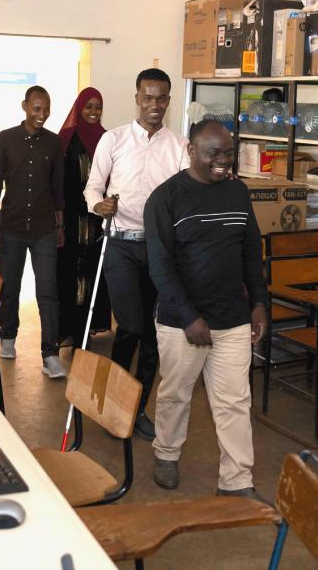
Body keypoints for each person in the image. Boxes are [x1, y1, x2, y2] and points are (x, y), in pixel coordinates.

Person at [144, 119, 269, 500]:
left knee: (234, 401)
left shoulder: (237, 192)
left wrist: (260, 302)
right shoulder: (165, 199)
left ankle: (236, 480)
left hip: (232, 317)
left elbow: (251, 252)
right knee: (176, 393)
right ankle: (166, 453)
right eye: (214, 153)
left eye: (229, 153)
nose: (223, 161)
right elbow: (160, 266)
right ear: (191, 150)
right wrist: (188, 317)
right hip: (182, 322)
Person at [84, 68, 186, 441]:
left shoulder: (179, 146)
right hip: (120, 244)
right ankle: (112, 401)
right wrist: (99, 206)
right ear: (137, 97)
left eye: (161, 98)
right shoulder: (113, 140)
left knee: (154, 335)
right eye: (147, 97)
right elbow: (92, 187)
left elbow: (184, 197)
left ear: (168, 101)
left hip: (159, 249)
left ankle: (136, 408)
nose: (154, 105)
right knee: (130, 326)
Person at [0, 85, 67, 379]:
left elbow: (58, 188)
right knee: (10, 286)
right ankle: (7, 338)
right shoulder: (5, 139)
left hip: (46, 228)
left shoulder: (54, 143)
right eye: (36, 109)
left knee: (48, 291)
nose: (42, 115)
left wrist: (60, 225)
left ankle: (50, 355)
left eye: (46, 109)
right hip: (12, 226)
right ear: (24, 106)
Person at [56, 88, 111, 344]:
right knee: (69, 273)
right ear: (79, 108)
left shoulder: (107, 138)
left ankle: (86, 327)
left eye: (97, 107)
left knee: (93, 272)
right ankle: (69, 328)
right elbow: (55, 181)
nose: (93, 112)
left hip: (97, 220)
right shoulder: (66, 139)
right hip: (70, 220)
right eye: (88, 106)